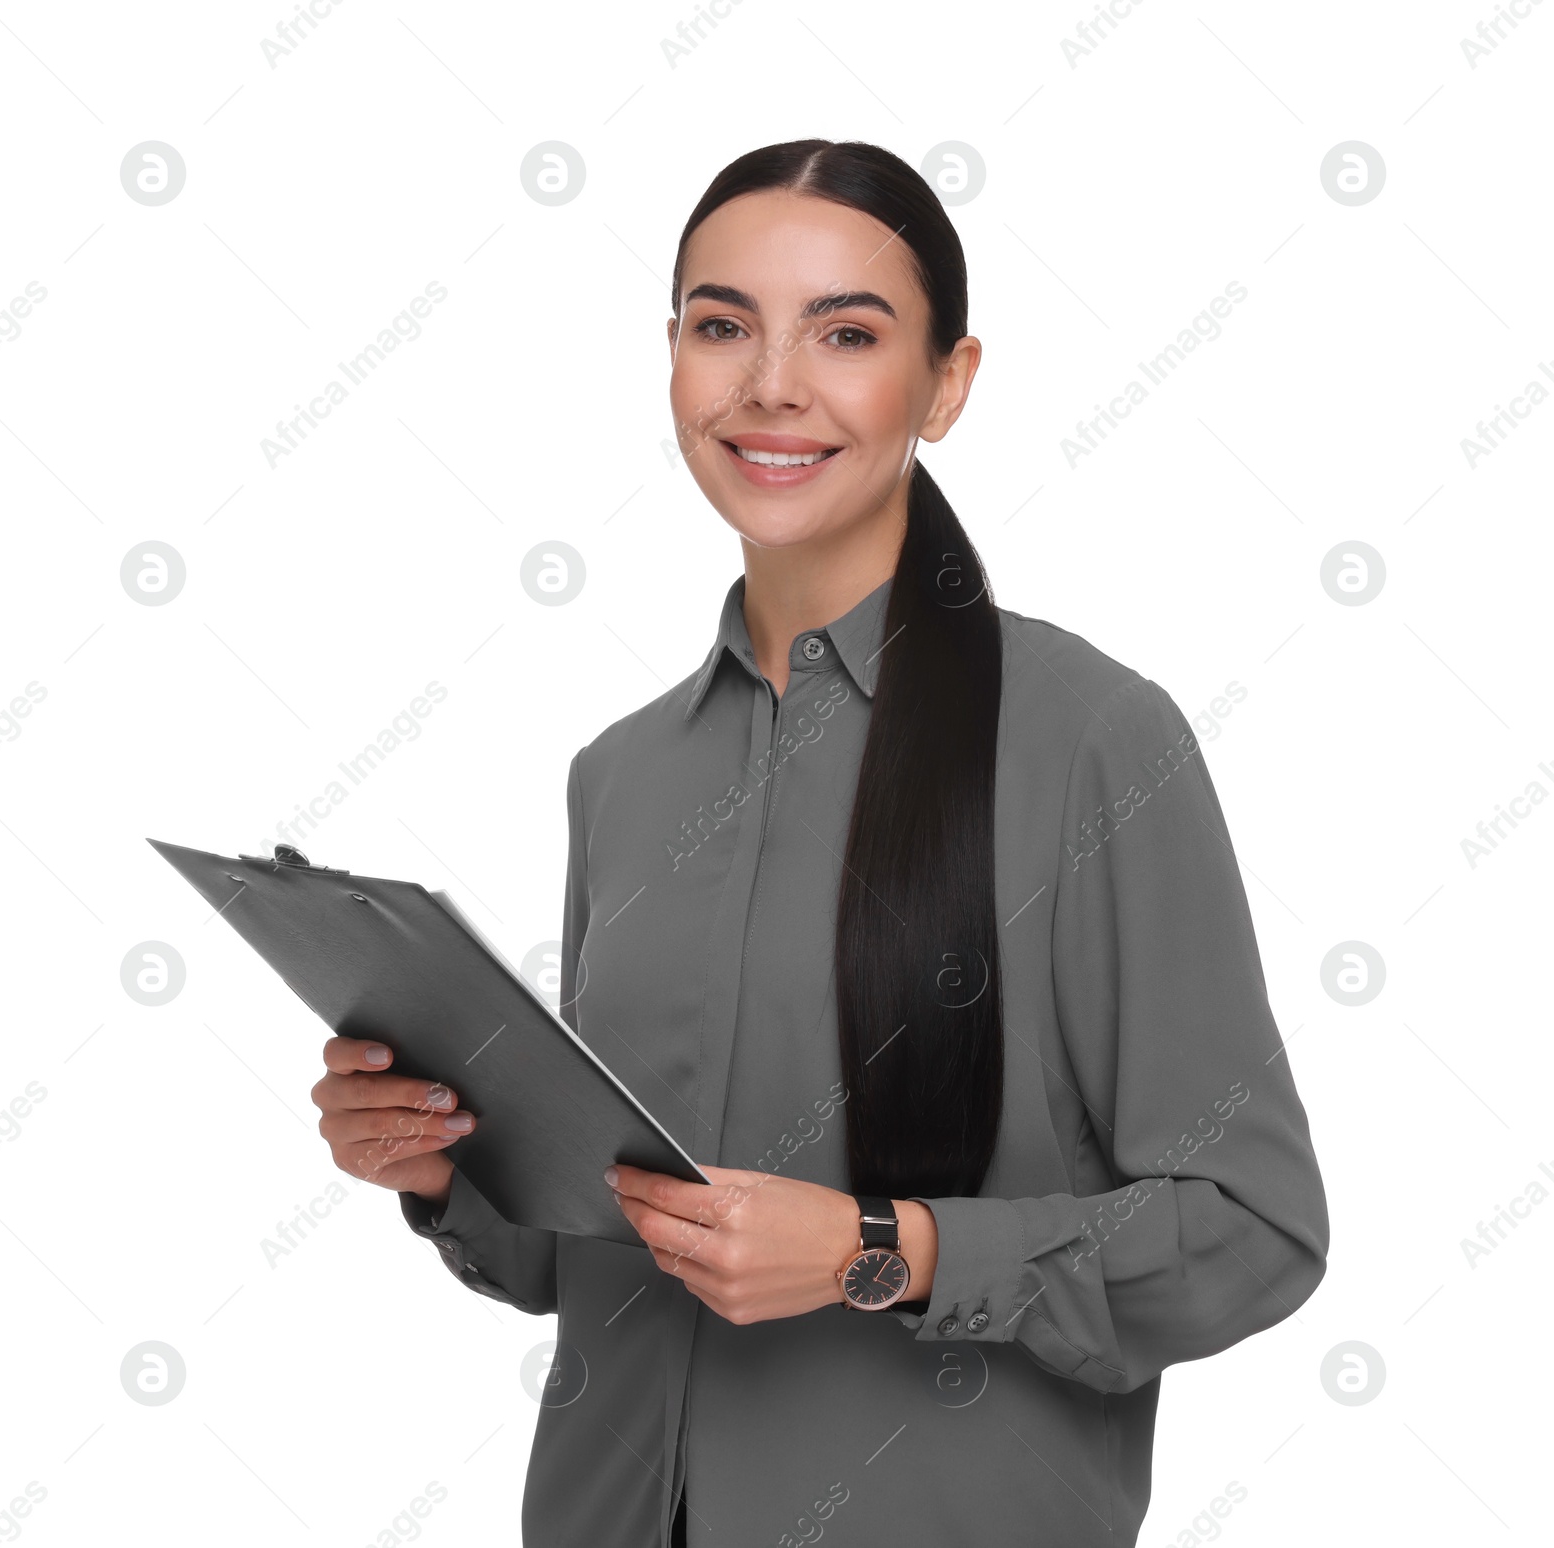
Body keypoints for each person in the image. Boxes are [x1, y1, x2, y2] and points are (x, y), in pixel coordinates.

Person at [311, 139, 1329, 1547]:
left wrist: (885, 1255)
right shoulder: (621, 776)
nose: (771, 384)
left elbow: (1253, 1234)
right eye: (722, 326)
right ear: (670, 359)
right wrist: (437, 1168)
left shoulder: (1094, 741)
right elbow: (591, 1253)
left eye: (846, 333)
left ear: (949, 383)